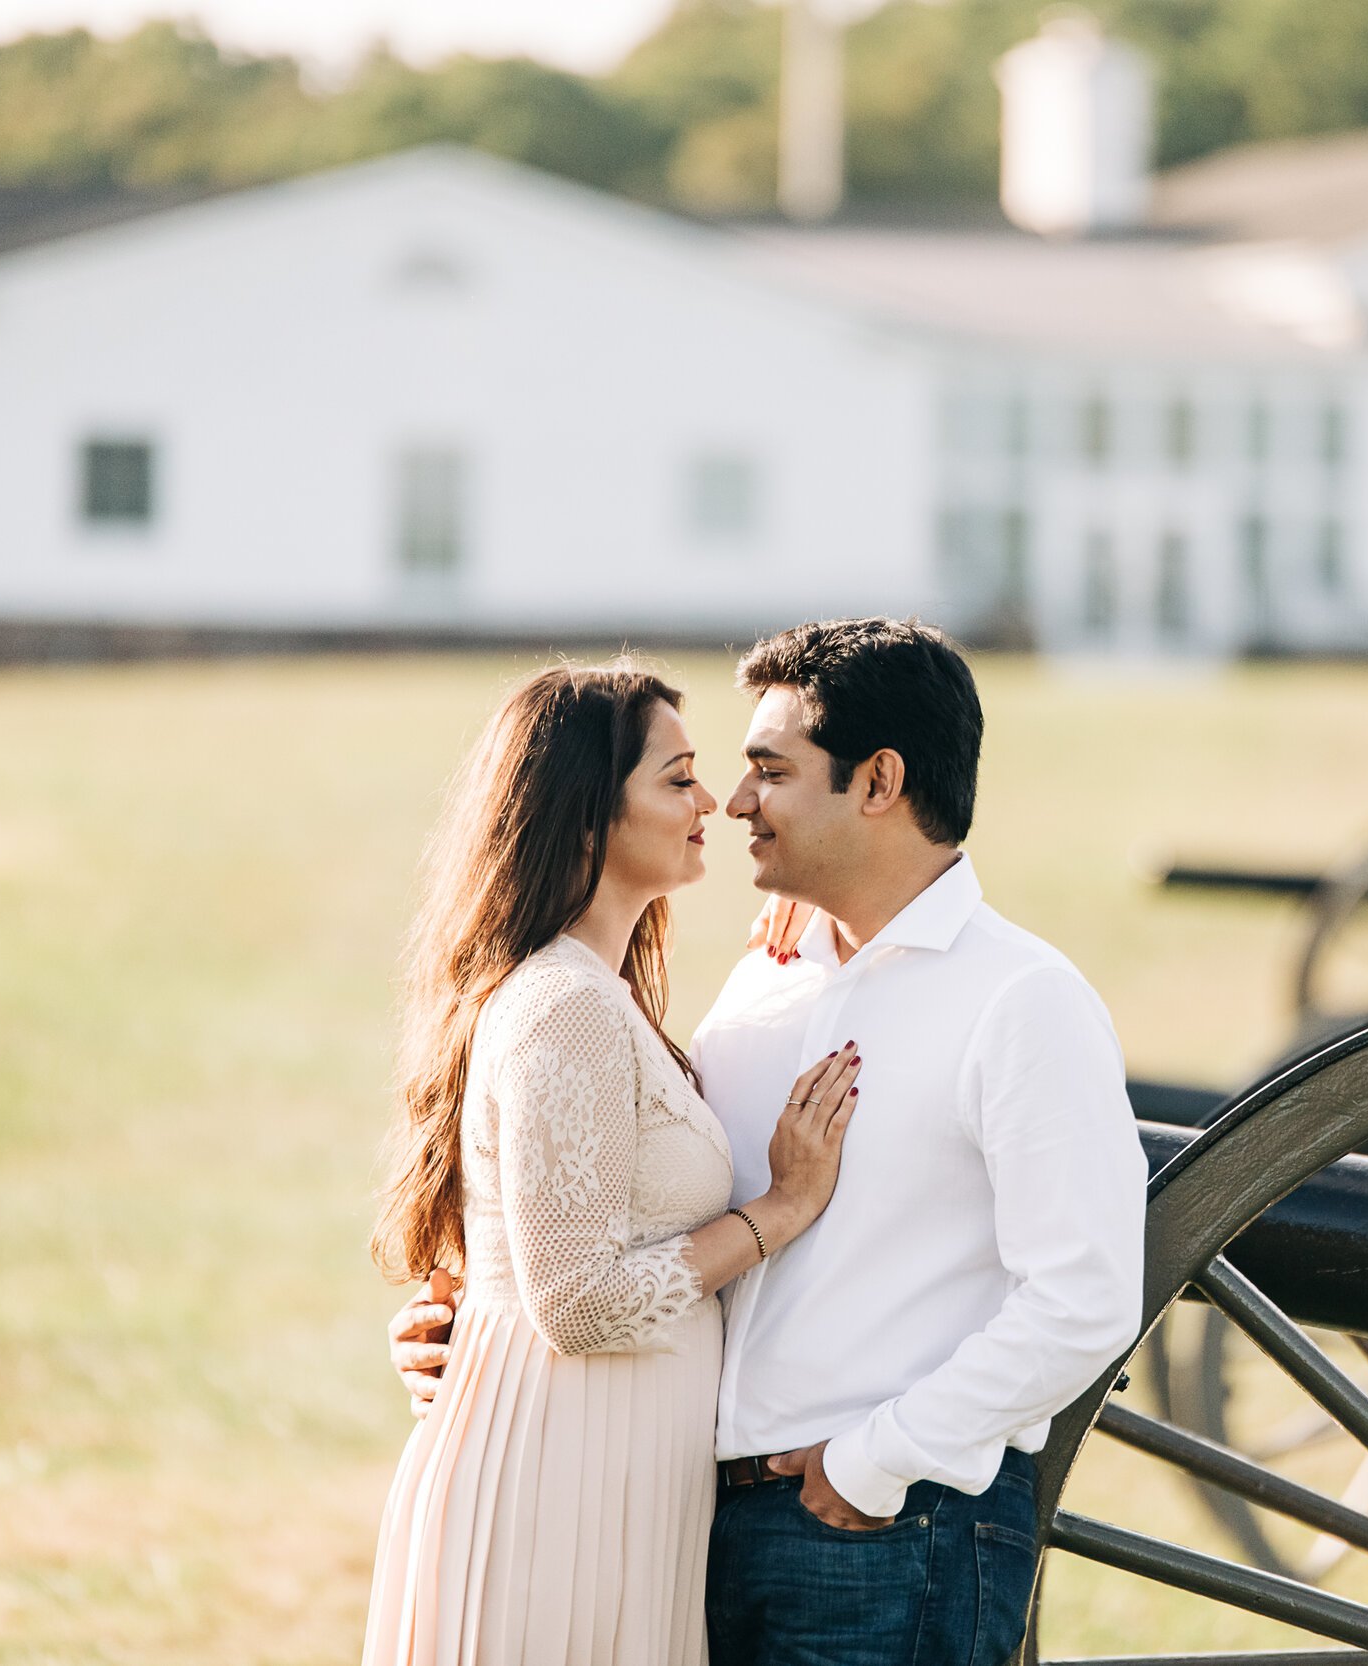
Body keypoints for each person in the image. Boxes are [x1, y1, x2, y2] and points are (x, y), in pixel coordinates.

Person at [393, 619, 1149, 1666]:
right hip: (689, 1519)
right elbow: (629, 1211)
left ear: (877, 781)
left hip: (882, 1533)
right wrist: (486, 1322)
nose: (734, 802)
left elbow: (1085, 1298)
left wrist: (875, 1463)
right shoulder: (765, 978)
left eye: (768, 770)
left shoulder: (1021, 1000)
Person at [362, 663, 867, 1666]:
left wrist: (821, 917)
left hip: (604, 1479)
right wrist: (782, 1207)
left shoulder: (598, 997)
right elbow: (580, 1303)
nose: (713, 803)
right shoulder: (567, 1005)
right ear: (591, 816)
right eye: (678, 778)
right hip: (556, 1495)